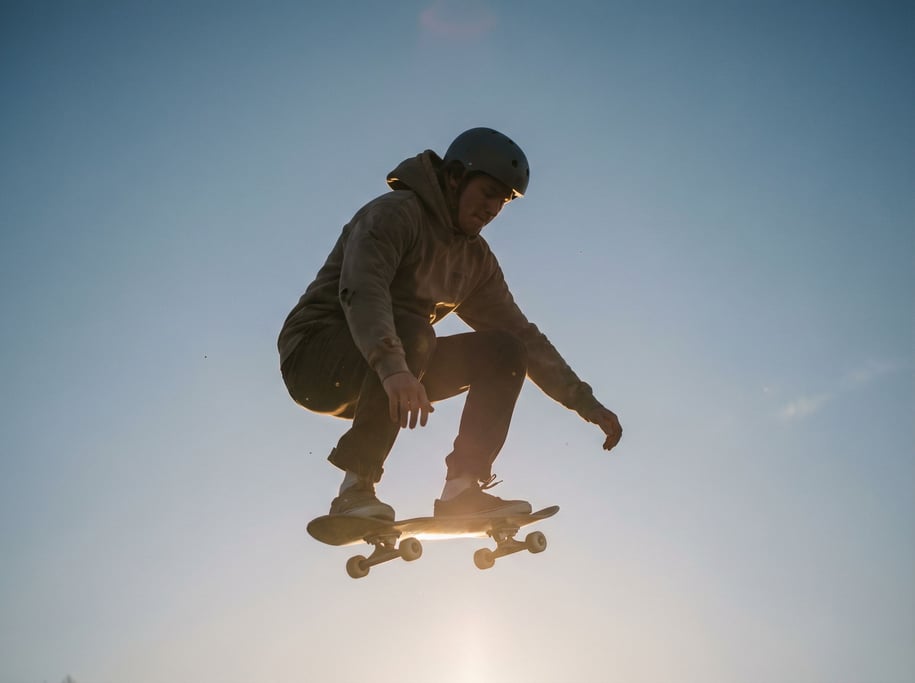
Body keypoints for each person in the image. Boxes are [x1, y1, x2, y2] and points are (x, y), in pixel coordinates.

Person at [278, 127, 622, 521]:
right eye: (488, 193)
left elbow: (525, 334)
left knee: (507, 349)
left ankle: (462, 490)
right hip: (316, 358)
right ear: (455, 176)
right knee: (413, 329)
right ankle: (355, 490)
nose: (493, 209)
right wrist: (394, 370)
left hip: (392, 369)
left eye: (504, 201)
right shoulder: (396, 213)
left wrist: (584, 401)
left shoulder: (475, 263)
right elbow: (362, 289)